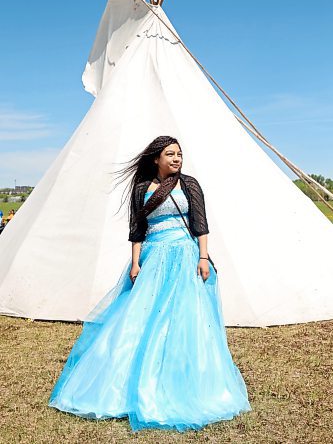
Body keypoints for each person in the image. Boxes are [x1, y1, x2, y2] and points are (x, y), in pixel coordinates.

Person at [48, 135, 251, 432]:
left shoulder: (189, 184)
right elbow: (137, 228)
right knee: (141, 317)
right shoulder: (142, 188)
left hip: (185, 255)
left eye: (180, 154)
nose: (177, 158)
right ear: (156, 158)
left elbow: (200, 223)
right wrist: (135, 262)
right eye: (170, 154)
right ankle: (128, 386)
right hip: (154, 257)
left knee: (184, 317)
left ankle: (188, 386)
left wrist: (203, 257)